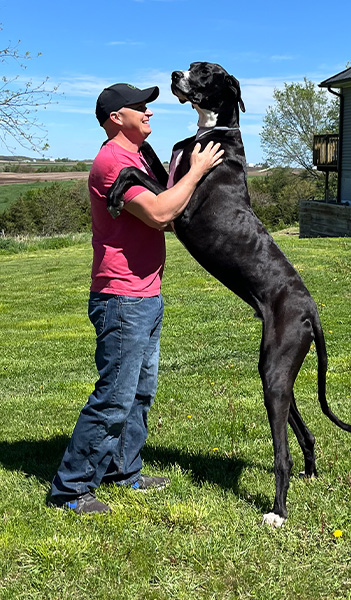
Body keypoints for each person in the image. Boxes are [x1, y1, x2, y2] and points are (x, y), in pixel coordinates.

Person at [49, 83, 224, 514]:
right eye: (140, 108)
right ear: (115, 117)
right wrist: (197, 169)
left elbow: (167, 208)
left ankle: (123, 470)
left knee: (140, 392)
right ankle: (70, 490)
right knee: (114, 395)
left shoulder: (139, 157)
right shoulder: (112, 162)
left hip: (146, 292)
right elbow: (163, 212)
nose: (149, 113)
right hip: (121, 296)